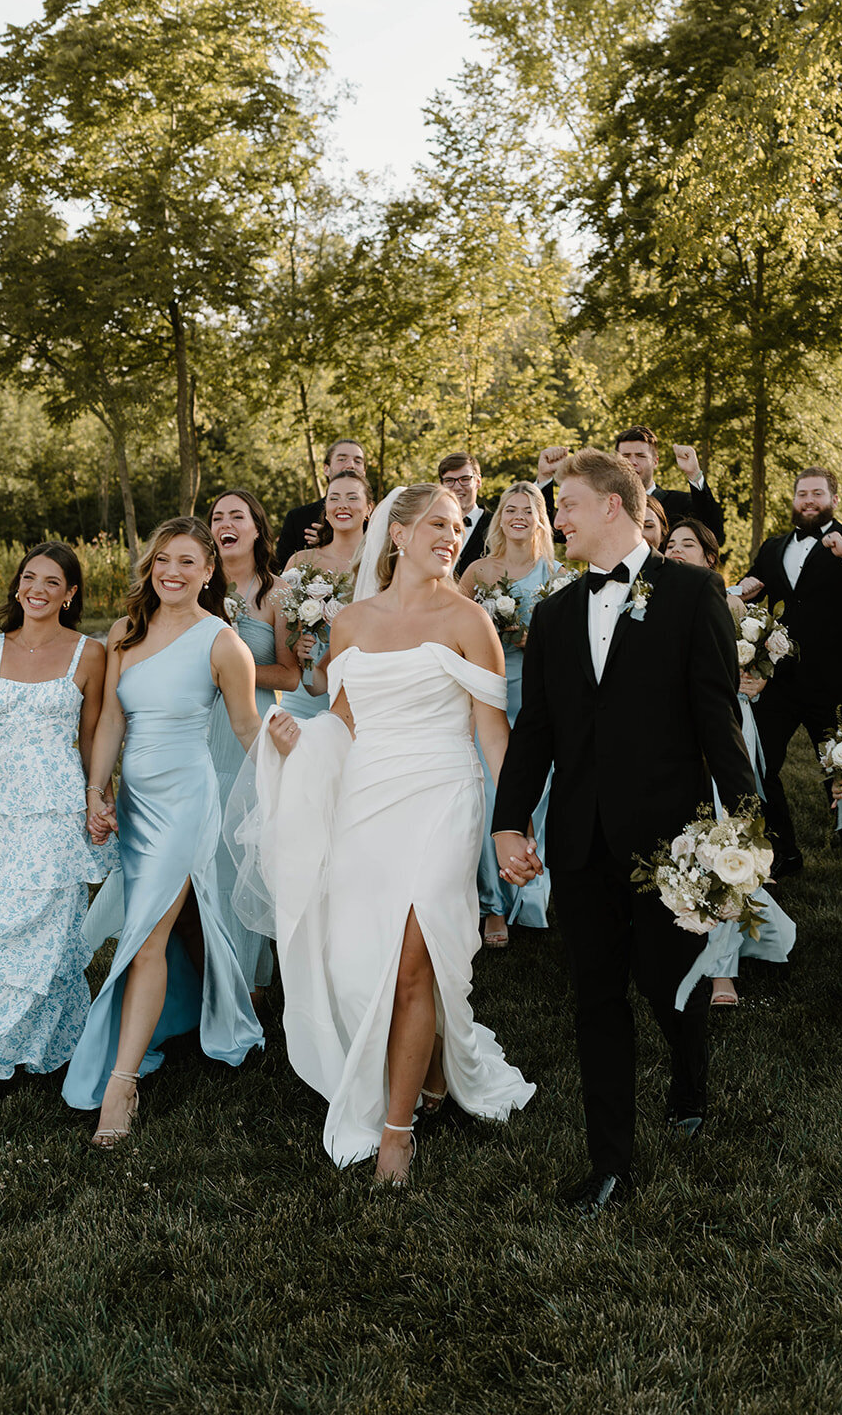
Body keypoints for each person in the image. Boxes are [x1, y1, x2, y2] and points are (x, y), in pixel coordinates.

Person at [235, 484, 534, 1187]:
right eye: (437, 523)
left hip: (441, 794)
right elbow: (344, 719)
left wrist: (509, 826)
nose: (450, 536)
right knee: (363, 961)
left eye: (458, 527)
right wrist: (295, 738)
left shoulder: (469, 622)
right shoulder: (351, 621)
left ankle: (395, 1131)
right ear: (395, 534)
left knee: (410, 961)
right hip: (368, 799)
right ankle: (430, 1070)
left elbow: (495, 735)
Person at [493, 449, 754, 1215]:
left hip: (668, 840)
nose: (556, 517)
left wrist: (740, 837)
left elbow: (718, 720)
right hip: (578, 840)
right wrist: (509, 821)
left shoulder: (692, 593)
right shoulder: (552, 612)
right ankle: (611, 1163)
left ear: (613, 505)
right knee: (595, 1000)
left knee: (669, 987)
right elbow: (535, 730)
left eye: (566, 503)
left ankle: (689, 1079)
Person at [63, 518, 264, 1147]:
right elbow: (113, 723)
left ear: (209, 572)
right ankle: (205, 1012)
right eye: (161, 561)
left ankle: (121, 1082)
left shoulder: (221, 642)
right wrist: (98, 793)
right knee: (163, 928)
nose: (171, 572)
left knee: (145, 935)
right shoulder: (125, 632)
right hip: (135, 805)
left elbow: (248, 729)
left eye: (186, 562)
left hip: (186, 803)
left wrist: (302, 762)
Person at [0, 544, 110, 1118]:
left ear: (70, 594)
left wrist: (96, 800)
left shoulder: (90, 653)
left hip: (56, 811)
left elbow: (92, 736)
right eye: (28, 578)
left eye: (52, 582)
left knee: (48, 937)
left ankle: (7, 1057)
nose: (37, 589)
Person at [662, 519, 796, 1008]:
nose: (676, 551)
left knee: (724, 836)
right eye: (669, 544)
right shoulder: (649, 602)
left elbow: (761, 663)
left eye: (687, 544)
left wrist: (756, 680)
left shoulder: (734, 605)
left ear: (710, 557)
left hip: (725, 731)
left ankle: (723, 971)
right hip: (671, 733)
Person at [741, 467, 842, 876]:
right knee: (758, 764)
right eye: (802, 494)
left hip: (834, 679)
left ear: (834, 499)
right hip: (780, 682)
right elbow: (752, 588)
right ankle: (784, 853)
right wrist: (741, 589)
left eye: (817, 494)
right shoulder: (773, 547)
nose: (808, 501)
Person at [207, 490, 299, 995]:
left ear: (257, 529)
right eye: (217, 517)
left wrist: (232, 673)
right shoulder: (197, 587)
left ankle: (249, 981)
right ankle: (207, 974)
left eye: (235, 516)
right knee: (206, 859)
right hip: (200, 735)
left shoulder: (279, 593)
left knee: (244, 858)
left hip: (250, 735)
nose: (225, 524)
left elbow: (289, 675)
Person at [459, 482, 557, 948]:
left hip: (538, 698)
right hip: (488, 695)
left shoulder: (556, 575)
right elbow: (453, 629)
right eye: (510, 509)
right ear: (499, 518)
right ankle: (492, 905)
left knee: (537, 799)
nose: (518, 516)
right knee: (491, 800)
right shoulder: (479, 572)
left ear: (541, 518)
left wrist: (533, 643)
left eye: (528, 509)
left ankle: (532, 894)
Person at [279, 469, 372, 720]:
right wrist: (300, 648)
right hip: (304, 692)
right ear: (326, 508)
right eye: (334, 498)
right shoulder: (301, 562)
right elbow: (284, 625)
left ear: (368, 509)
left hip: (362, 695)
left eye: (352, 498)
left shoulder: (383, 568)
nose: (342, 505)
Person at [538, 427, 726, 545]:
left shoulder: (680, 503)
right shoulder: (599, 503)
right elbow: (554, 531)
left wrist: (694, 474)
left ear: (655, 461)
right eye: (626, 457)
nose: (632, 463)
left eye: (641, 456)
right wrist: (545, 476)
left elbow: (714, 534)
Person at [275, 436, 367, 567]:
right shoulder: (298, 518)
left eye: (358, 461)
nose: (351, 465)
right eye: (342, 459)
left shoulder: (379, 519)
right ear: (326, 469)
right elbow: (280, 569)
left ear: (364, 471)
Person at [438, 452, 490, 576]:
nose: (457, 487)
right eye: (449, 480)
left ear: (478, 481)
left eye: (465, 479)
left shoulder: (497, 525)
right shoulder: (430, 525)